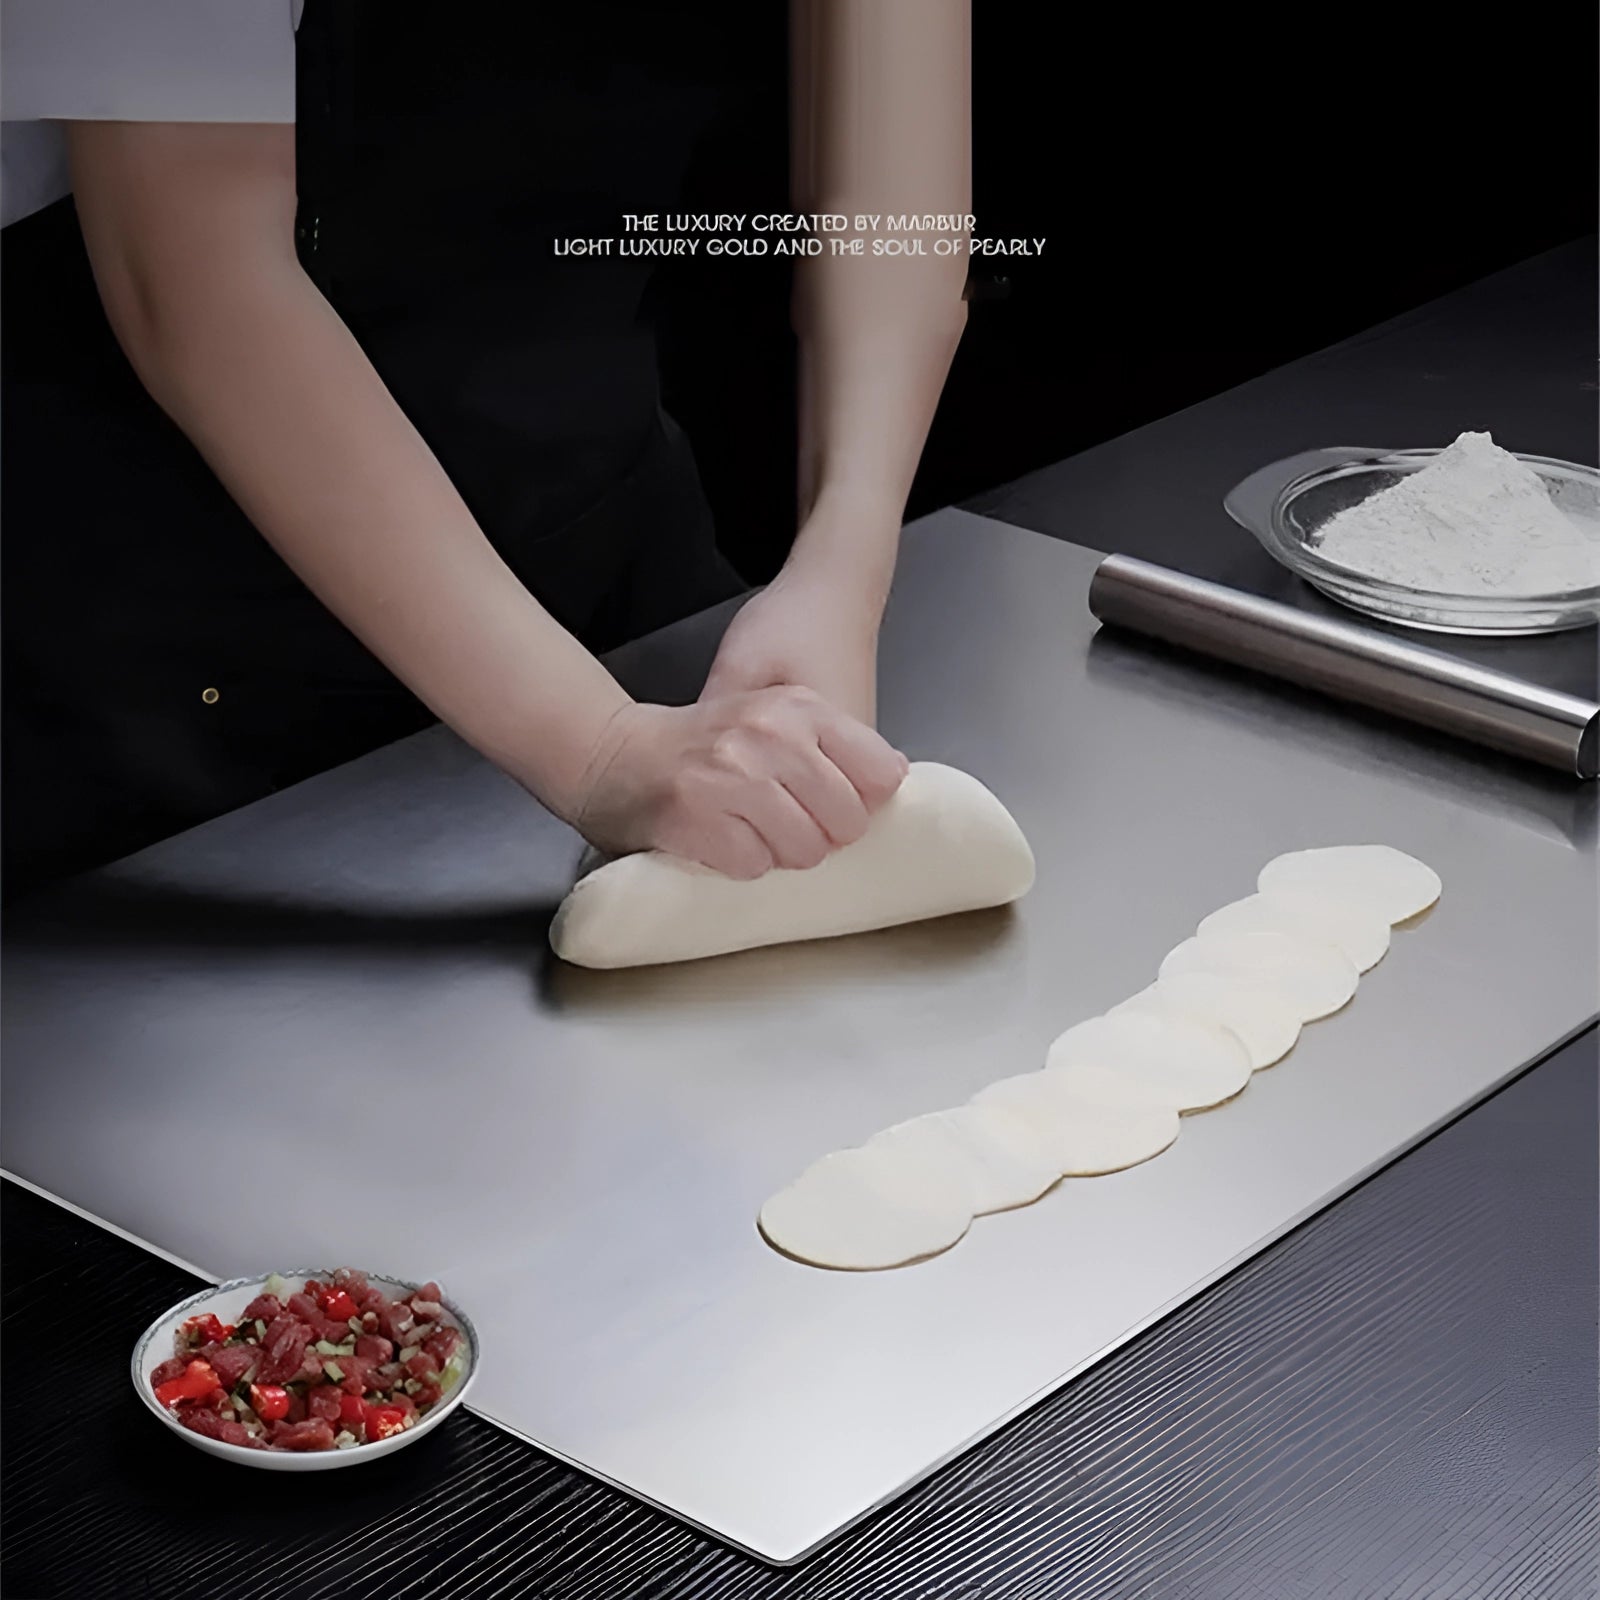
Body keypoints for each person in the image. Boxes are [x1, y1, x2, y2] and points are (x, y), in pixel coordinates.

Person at [0, 1, 972, 898]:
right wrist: (600, 750)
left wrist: (840, 572)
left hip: (609, 551)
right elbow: (196, 281)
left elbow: (894, 156)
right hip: (188, 662)